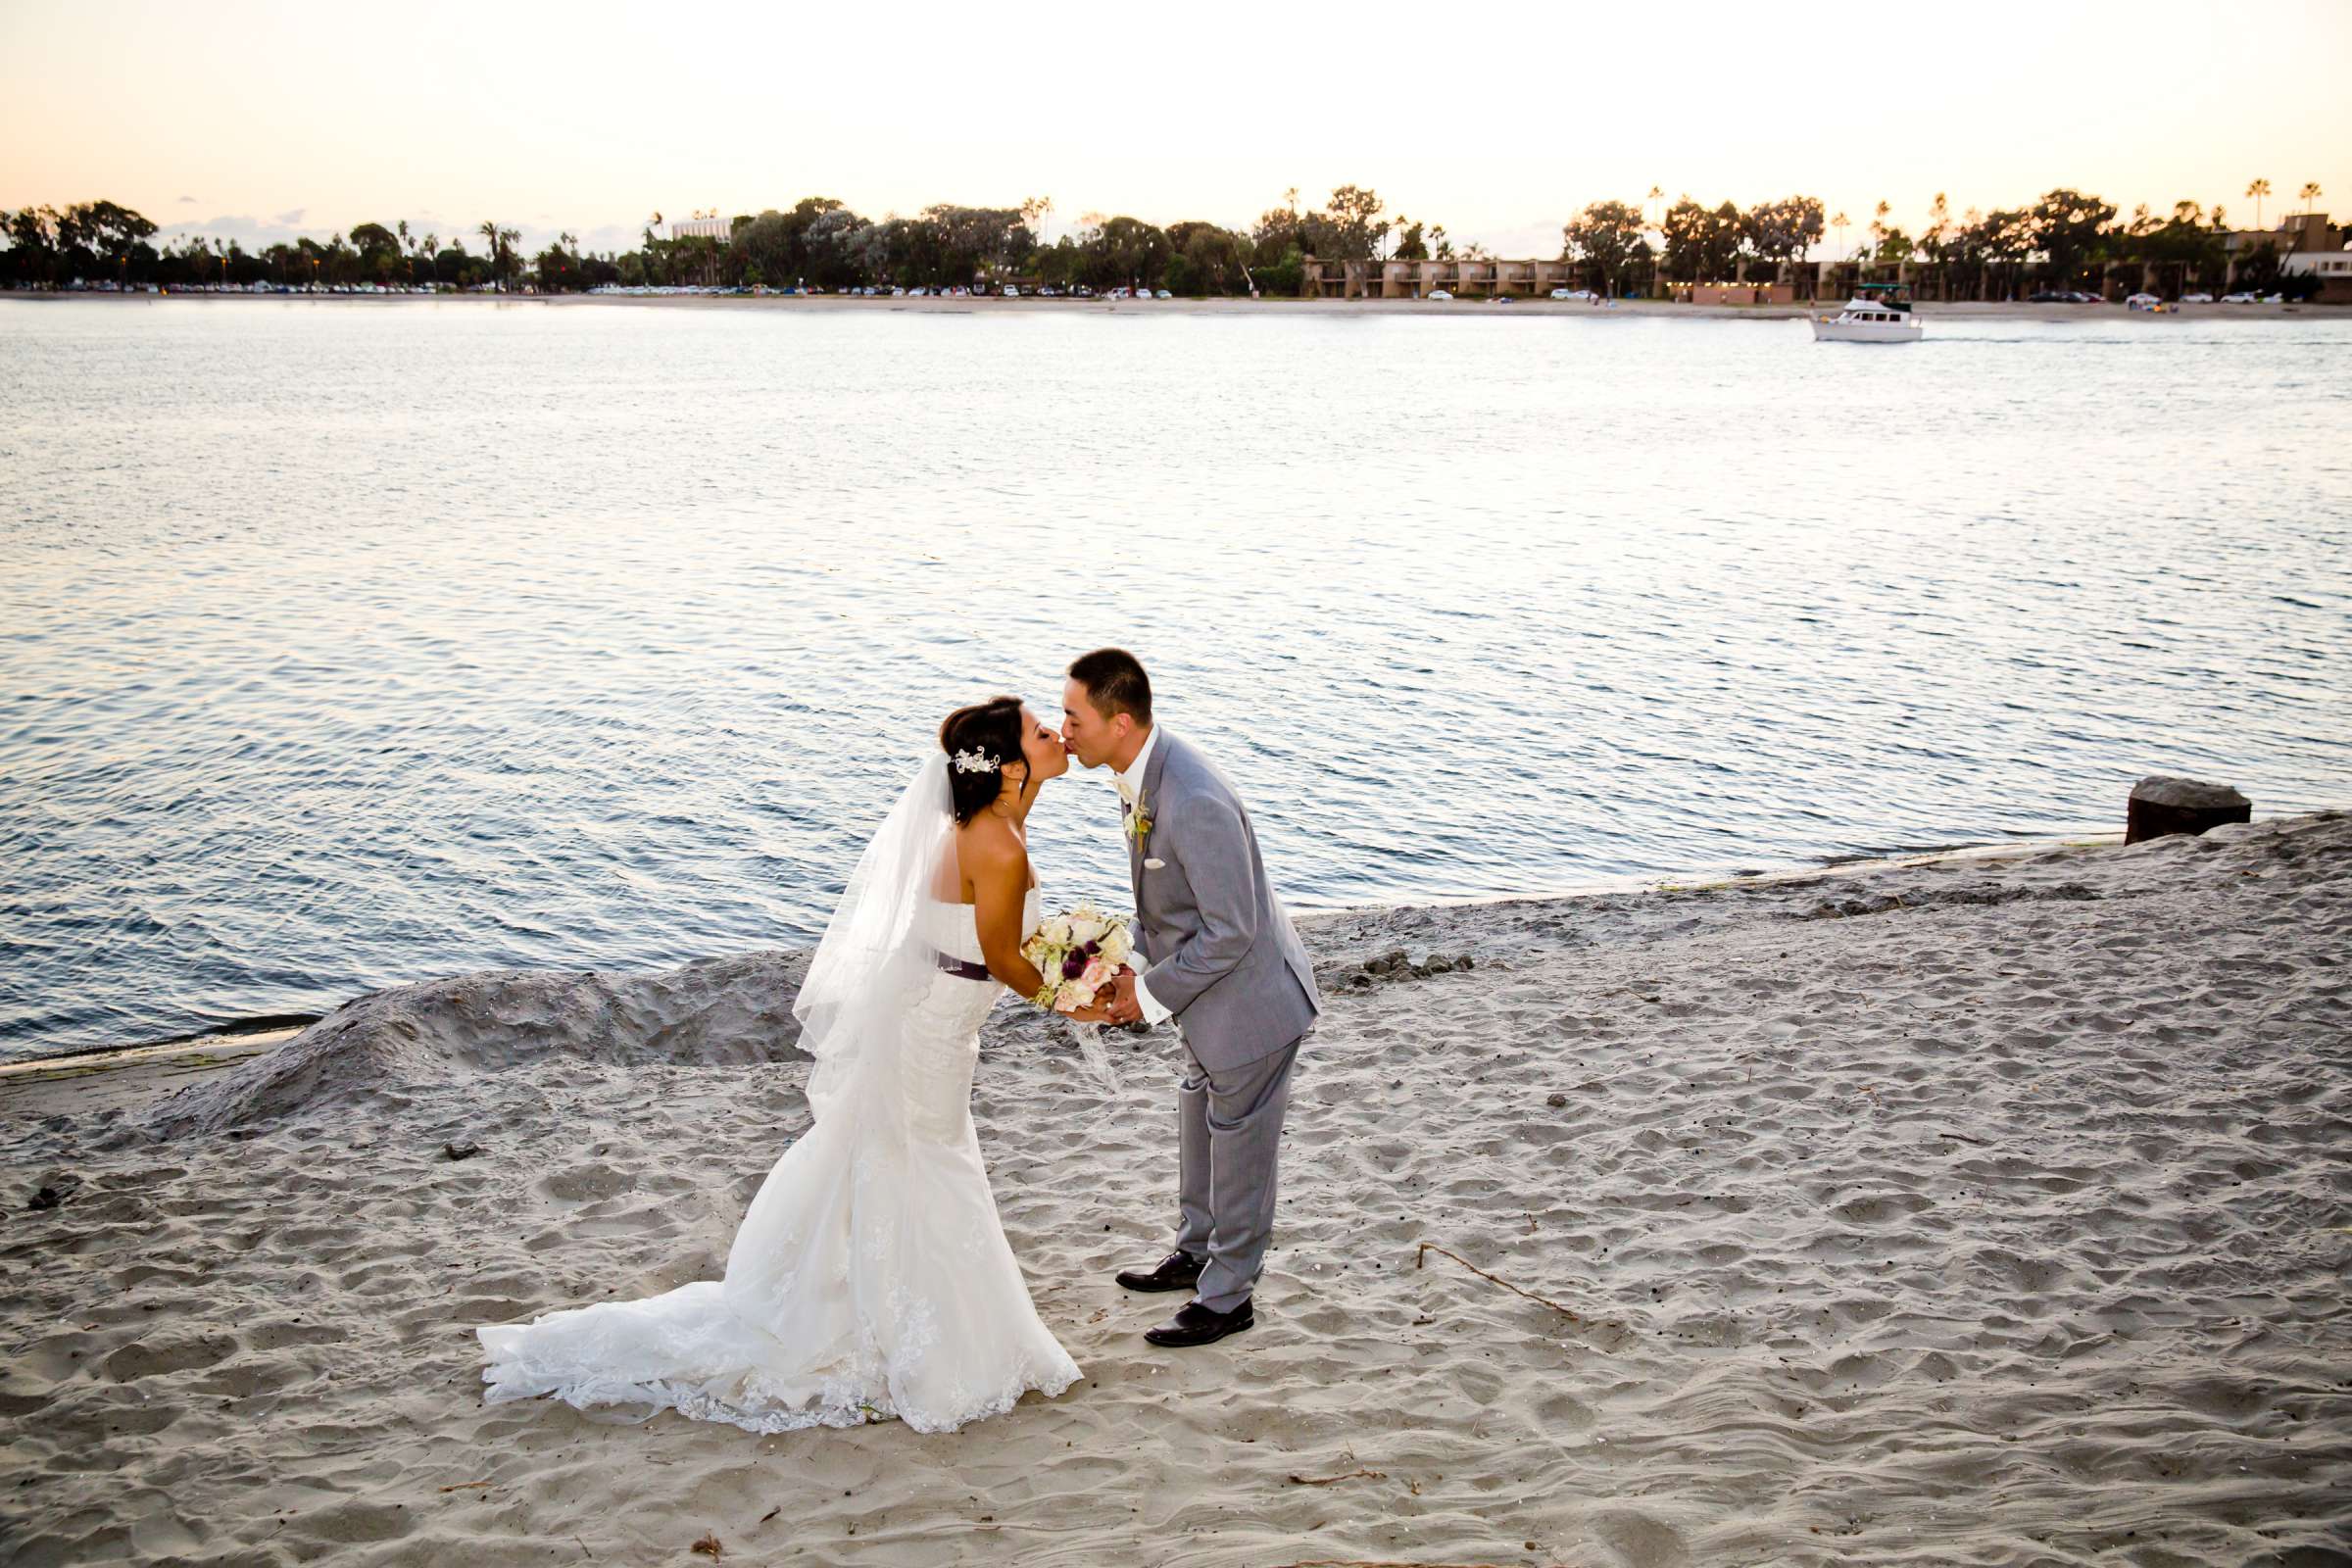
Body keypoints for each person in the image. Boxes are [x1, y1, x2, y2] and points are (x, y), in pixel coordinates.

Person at [476, 698, 1081, 1434]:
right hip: (933, 1031)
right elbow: (1001, 958)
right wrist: (1078, 998)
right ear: (1010, 767)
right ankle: (939, 1342)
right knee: (935, 1162)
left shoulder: (997, 825)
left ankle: (912, 1312)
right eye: (1045, 732)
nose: (1060, 734)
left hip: (938, 1022)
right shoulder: (996, 843)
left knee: (919, 1161)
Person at [1059, 649, 1321, 1348]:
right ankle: (1197, 1250)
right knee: (1197, 1115)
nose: (1064, 730)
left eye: (1072, 715)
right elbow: (1164, 907)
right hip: (1208, 1003)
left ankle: (1229, 1296)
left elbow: (1231, 930)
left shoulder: (1193, 798)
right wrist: (1127, 965)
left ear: (1118, 722)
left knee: (1241, 1146)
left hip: (1251, 1006)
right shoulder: (1145, 774)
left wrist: (1142, 998)